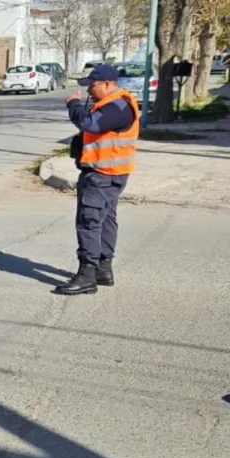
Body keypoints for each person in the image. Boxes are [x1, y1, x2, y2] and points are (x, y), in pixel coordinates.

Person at [54, 63, 140, 296]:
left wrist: (73, 105)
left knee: (89, 222)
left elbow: (89, 124)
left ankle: (86, 276)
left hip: (102, 176)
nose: (89, 91)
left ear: (108, 84)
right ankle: (103, 270)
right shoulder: (111, 104)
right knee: (105, 220)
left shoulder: (118, 106)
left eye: (92, 86)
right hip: (107, 174)